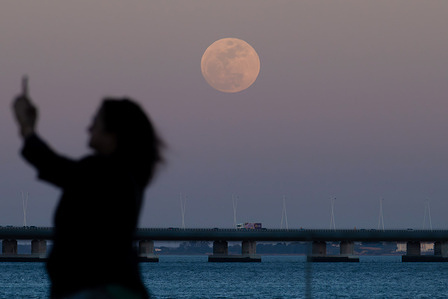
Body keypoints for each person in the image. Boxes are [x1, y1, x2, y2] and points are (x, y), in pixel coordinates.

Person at [12, 84, 164, 298]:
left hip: (95, 290)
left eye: (96, 122)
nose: (89, 128)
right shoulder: (129, 176)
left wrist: (26, 128)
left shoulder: (104, 172)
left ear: (113, 134)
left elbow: (53, 166)